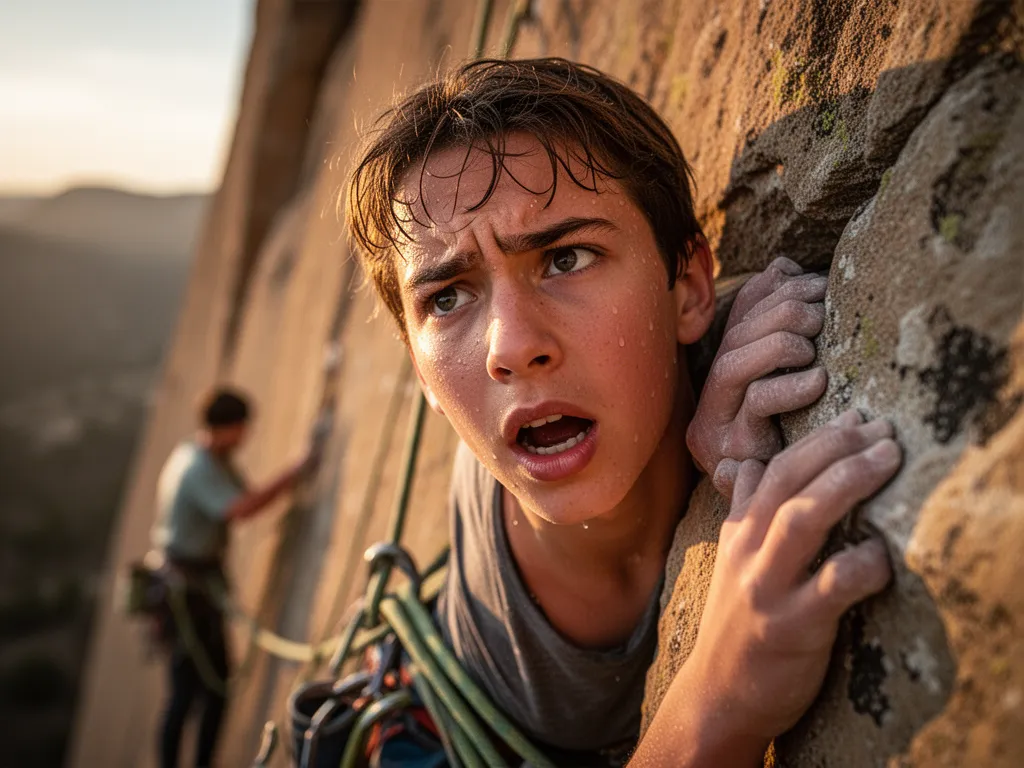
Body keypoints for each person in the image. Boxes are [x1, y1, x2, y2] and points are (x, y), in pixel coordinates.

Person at [344, 57, 902, 766]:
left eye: (566, 257)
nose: (511, 348)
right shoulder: (580, 386)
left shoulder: (706, 356)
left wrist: (707, 439)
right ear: (417, 367)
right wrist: (717, 707)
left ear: (691, 289)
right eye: (447, 298)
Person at [150, 387, 316, 768]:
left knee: (199, 689)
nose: (246, 436)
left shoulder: (201, 456)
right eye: (242, 428)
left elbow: (247, 497)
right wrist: (297, 469)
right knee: (196, 691)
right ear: (227, 428)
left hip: (190, 585)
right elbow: (241, 509)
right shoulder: (199, 468)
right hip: (187, 592)